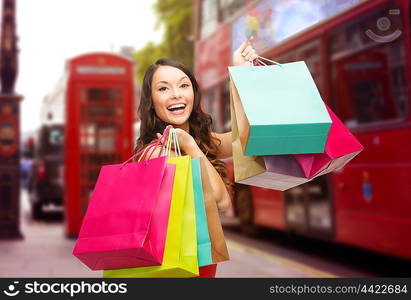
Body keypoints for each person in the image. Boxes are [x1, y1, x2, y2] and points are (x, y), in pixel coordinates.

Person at [133, 37, 258, 278]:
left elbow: (246, 136)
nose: (175, 95)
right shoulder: (157, 152)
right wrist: (191, 147)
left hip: (199, 265)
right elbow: (221, 201)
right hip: (177, 270)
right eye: (163, 88)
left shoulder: (199, 140)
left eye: (183, 85)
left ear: (194, 92)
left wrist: (240, 77)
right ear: (151, 102)